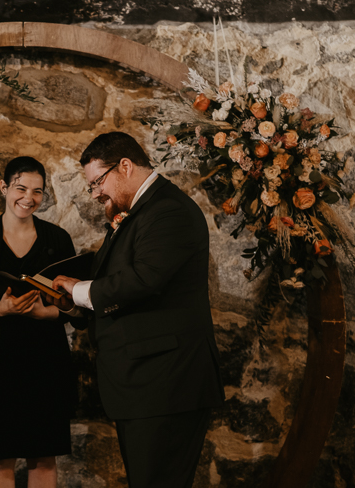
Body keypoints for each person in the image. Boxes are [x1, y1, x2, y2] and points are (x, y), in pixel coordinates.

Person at [51, 132, 224, 488]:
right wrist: (73, 303)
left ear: (125, 166)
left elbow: (144, 279)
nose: (96, 192)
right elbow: (120, 282)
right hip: (145, 385)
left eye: (98, 181)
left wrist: (80, 290)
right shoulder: (138, 212)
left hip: (166, 383)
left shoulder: (169, 211)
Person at [0, 156, 84, 488]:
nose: (29, 198)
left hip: (47, 360)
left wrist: (46, 313)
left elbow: (76, 306)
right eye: (21, 188)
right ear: (4, 187)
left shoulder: (58, 240)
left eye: (38, 192)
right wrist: (0, 310)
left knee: (44, 456)